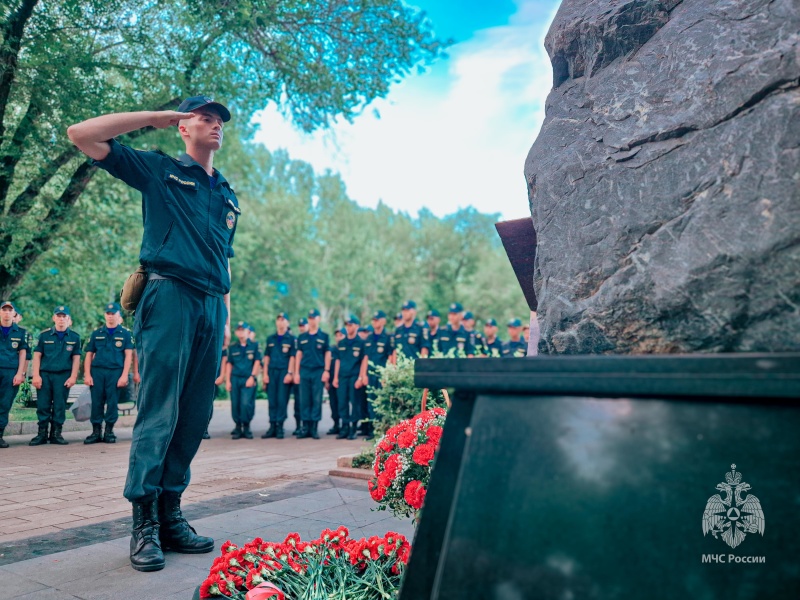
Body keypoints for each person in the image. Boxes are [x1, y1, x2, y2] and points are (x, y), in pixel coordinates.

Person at [68, 95, 237, 572]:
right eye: (204, 118)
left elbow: (225, 262)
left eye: (219, 120)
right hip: (168, 298)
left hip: (211, 307)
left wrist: (223, 326)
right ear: (183, 127)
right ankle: (143, 523)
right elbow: (82, 134)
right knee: (159, 410)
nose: (215, 125)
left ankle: (170, 515)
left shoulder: (227, 194)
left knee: (194, 414)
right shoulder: (160, 172)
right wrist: (153, 118)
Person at [83, 302, 134, 444]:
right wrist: (87, 374)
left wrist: (124, 375)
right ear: (105, 315)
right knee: (97, 402)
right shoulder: (96, 333)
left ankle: (109, 431)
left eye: (114, 314)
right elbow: (88, 354)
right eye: (108, 314)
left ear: (119, 316)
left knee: (112, 402)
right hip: (97, 371)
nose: (111, 316)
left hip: (115, 372)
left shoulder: (125, 334)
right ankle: (96, 431)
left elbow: (129, 355)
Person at [30, 305, 81, 446]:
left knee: (59, 406)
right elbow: (37, 356)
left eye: (64, 316)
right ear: (54, 318)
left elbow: (76, 359)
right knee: (43, 405)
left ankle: (56, 434)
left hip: (63, 376)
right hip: (45, 375)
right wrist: (36, 375)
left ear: (69, 319)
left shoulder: (75, 337)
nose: (61, 319)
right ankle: (41, 434)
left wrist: (73, 377)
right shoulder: (44, 336)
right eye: (58, 316)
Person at [293, 309, 331, 439]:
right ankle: (305, 427)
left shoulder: (324, 336)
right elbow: (299, 354)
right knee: (304, 399)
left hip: (318, 371)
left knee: (316, 399)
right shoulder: (302, 337)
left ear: (318, 319)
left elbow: (327, 354)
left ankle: (314, 428)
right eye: (309, 318)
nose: (311, 320)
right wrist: (296, 372)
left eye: (314, 318)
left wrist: (326, 371)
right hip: (304, 370)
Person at [333, 315, 369, 440]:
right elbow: (338, 360)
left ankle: (353, 427)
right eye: (347, 325)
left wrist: (361, 377)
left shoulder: (361, 343)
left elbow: (364, 360)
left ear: (357, 326)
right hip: (342, 376)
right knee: (342, 402)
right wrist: (335, 377)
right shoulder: (341, 342)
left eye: (351, 324)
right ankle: (345, 427)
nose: (348, 327)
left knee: (355, 402)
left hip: (354, 376)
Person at [261, 312, 296, 439]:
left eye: (283, 319)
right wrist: (264, 374)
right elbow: (266, 357)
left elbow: (293, 357)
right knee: (272, 400)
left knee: (282, 400)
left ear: (287, 322)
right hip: (272, 372)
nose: (281, 322)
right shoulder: (271, 338)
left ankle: (280, 426)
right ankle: (272, 426)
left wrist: (290, 373)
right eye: (279, 319)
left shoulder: (291, 339)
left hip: (283, 373)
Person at [0, 301, 29, 449]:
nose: (6, 312)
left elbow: (23, 353)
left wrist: (20, 373)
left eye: (9, 310)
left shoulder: (21, 332)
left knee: (4, 404)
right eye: (3, 309)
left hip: (10, 372)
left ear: (14, 314)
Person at [226, 322, 262, 440]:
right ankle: (237, 427)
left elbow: (257, 362)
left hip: (248, 378)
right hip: (235, 378)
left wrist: (253, 377)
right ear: (236, 332)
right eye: (239, 330)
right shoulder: (232, 347)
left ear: (248, 332)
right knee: (235, 403)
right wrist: (228, 381)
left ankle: (246, 426)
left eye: (243, 330)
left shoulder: (254, 345)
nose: (241, 332)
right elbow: (229, 364)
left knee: (246, 403)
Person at [363, 310, 392, 440]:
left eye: (377, 320)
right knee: (371, 402)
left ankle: (382, 430)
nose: (375, 322)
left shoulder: (388, 337)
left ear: (383, 321)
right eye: (373, 320)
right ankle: (373, 430)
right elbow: (366, 357)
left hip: (382, 375)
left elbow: (391, 357)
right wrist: (362, 375)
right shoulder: (369, 338)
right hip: (370, 375)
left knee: (382, 403)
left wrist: (388, 375)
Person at [291, 317, 309, 435]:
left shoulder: (310, 338)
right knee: (298, 402)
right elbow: (293, 358)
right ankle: (298, 426)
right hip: (298, 375)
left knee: (306, 401)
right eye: (300, 326)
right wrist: (293, 373)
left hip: (307, 374)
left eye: (304, 325)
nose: (302, 327)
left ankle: (307, 426)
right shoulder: (296, 340)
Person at [327, 328, 345, 435]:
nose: (338, 338)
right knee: (333, 403)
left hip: (342, 380)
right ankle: (336, 424)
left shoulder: (346, 348)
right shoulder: (332, 349)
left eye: (341, 335)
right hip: (332, 380)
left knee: (342, 403)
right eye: (337, 335)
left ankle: (344, 425)